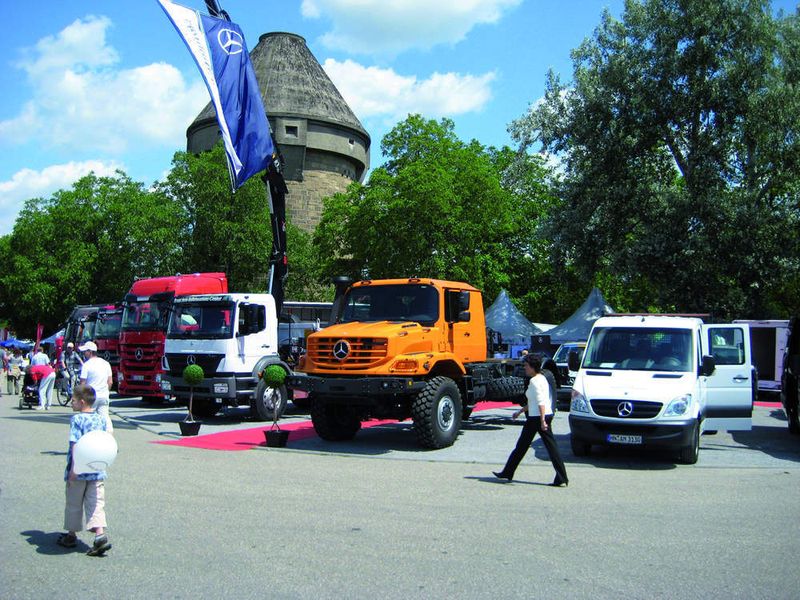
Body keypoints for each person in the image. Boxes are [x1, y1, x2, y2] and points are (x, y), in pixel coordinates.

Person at [493, 353, 569, 486]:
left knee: (525, 446)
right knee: (539, 446)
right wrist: (520, 412)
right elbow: (534, 402)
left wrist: (542, 421)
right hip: (540, 416)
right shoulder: (542, 378)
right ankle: (508, 472)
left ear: (533, 367)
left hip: (537, 418)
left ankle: (508, 472)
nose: (525, 368)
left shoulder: (534, 381)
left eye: (526, 366)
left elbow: (540, 401)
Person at [57, 384, 112, 556]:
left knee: (74, 502)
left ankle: (71, 534)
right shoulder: (101, 419)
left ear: (81, 402)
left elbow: (75, 443)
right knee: (96, 502)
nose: (71, 403)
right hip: (96, 468)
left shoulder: (77, 419)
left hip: (79, 469)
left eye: (73, 400)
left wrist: (74, 468)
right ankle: (99, 535)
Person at [78, 341, 113, 433]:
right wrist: (106, 391)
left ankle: (88, 437)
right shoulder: (106, 363)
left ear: (90, 352)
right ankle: (109, 436)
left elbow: (82, 383)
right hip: (104, 395)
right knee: (105, 417)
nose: (84, 353)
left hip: (91, 396)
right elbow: (110, 382)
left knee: (88, 417)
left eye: (85, 351)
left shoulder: (86, 365)